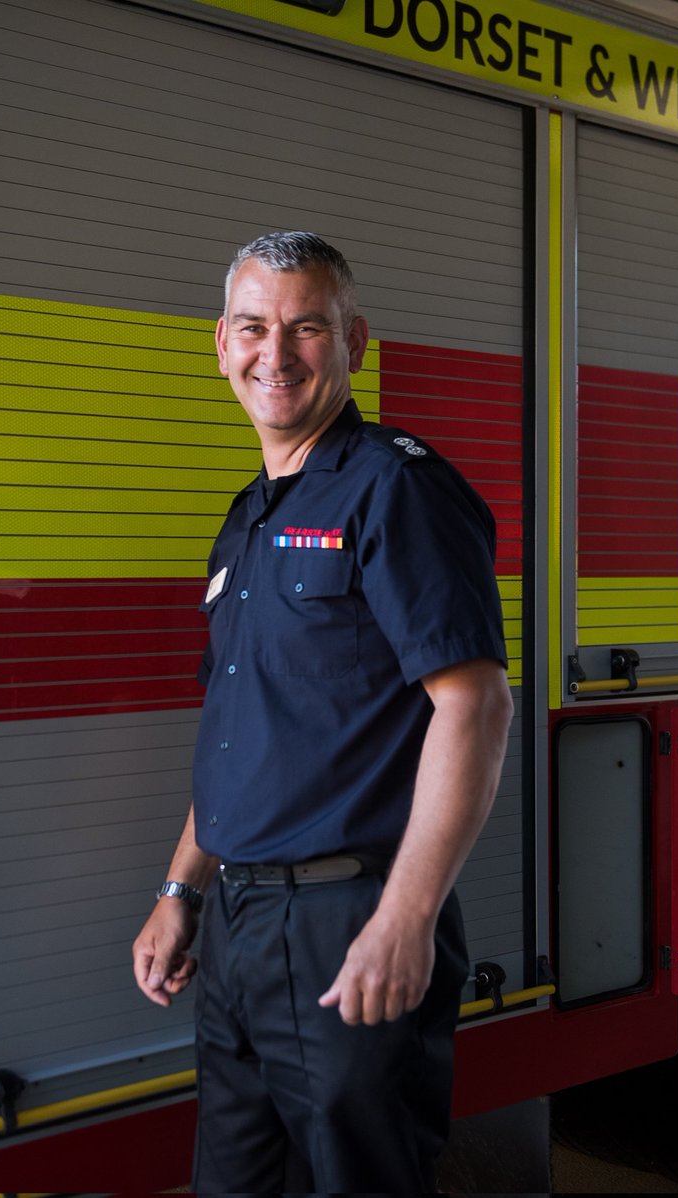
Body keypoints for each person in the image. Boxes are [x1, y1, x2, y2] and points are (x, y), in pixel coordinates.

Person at [132, 231, 513, 1194]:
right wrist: (183, 890)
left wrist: (406, 916)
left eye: (308, 327)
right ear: (222, 342)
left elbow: (473, 706)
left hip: (350, 917)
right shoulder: (247, 517)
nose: (278, 352)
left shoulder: (396, 488)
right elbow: (245, 729)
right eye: (256, 327)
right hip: (241, 925)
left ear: (355, 341)